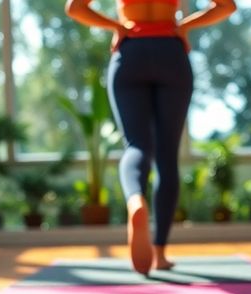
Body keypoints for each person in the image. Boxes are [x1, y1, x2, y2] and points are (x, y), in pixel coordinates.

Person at [66, 0, 236, 275]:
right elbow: (226, 7)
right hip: (170, 51)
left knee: (136, 146)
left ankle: (135, 200)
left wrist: (116, 26)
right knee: (167, 156)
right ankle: (159, 253)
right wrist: (183, 26)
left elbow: (75, 8)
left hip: (131, 51)